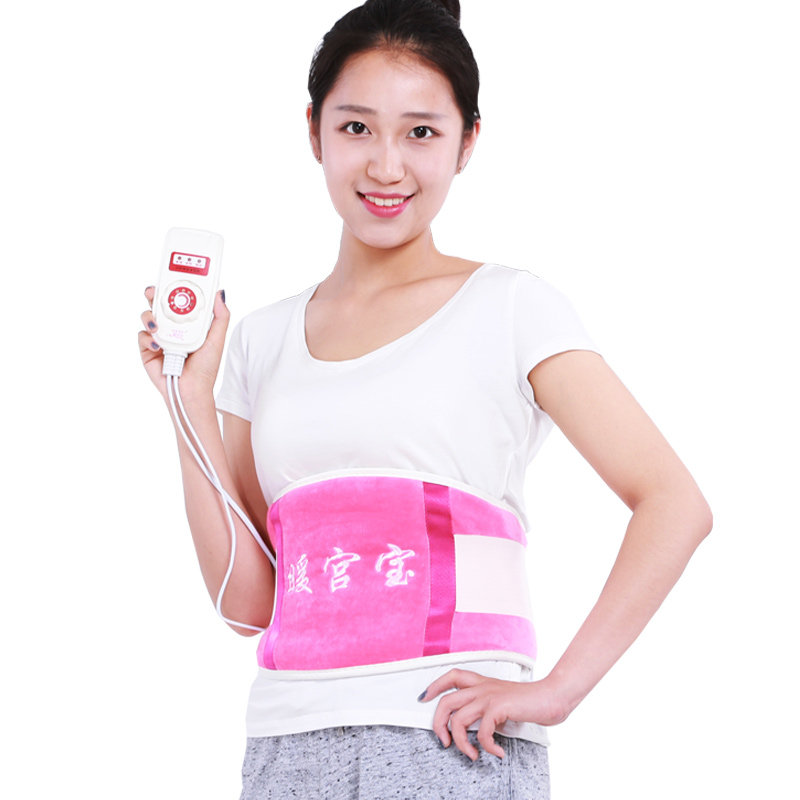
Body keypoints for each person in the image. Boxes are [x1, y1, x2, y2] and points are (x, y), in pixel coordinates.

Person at [138, 1, 712, 797]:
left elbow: (675, 503)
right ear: (314, 132)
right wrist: (188, 397)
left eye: (421, 132)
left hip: (452, 741)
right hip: (286, 746)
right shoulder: (259, 339)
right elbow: (248, 605)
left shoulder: (511, 307)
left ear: (467, 141)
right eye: (356, 127)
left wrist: (559, 692)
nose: (386, 167)